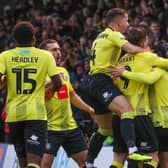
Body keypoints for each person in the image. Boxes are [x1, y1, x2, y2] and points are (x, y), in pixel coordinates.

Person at [79, 8, 153, 168]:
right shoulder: (114, 34)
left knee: (104, 129)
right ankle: (132, 149)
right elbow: (131, 49)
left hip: (91, 82)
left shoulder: (99, 36)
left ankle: (89, 163)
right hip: (101, 81)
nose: (128, 23)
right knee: (127, 111)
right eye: (126, 20)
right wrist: (147, 52)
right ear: (119, 23)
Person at [0, 21, 62, 168]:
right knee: (34, 163)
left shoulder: (5, 56)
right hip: (36, 114)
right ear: (33, 38)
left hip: (14, 114)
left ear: (15, 40)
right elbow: (58, 83)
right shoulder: (45, 56)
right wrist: (49, 92)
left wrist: (6, 82)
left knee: (22, 162)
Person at [111, 25, 168, 168]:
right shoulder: (148, 58)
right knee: (152, 156)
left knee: (121, 158)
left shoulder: (121, 61)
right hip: (139, 112)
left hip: (120, 115)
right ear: (144, 42)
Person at [39, 39, 95, 168]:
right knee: (44, 165)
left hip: (70, 127)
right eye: (54, 50)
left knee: (86, 164)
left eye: (58, 49)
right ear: (44, 53)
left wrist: (89, 109)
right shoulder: (39, 73)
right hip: (49, 128)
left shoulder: (63, 72)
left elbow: (72, 95)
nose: (58, 52)